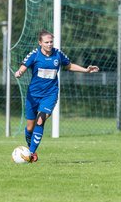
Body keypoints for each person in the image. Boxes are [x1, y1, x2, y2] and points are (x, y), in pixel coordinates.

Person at [14, 29, 99, 163]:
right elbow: (23, 67)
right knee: (30, 127)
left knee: (41, 119)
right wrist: (19, 73)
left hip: (50, 94)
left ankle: (30, 153)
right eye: (46, 42)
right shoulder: (34, 55)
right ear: (40, 43)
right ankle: (31, 148)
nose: (49, 44)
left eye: (51, 42)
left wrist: (86, 70)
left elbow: (69, 66)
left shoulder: (58, 54)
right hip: (33, 95)